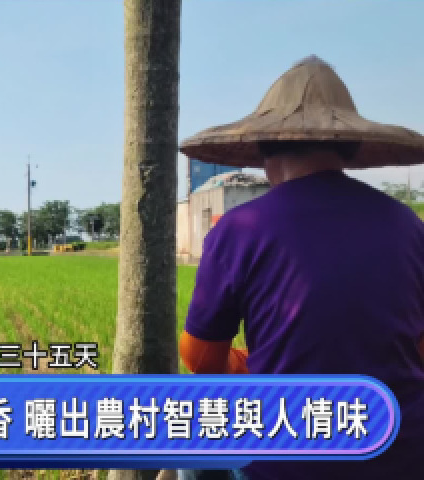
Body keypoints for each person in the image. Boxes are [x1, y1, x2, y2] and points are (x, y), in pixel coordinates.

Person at [171, 56, 424, 480]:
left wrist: (248, 364)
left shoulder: (240, 228)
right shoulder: (408, 225)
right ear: (347, 149)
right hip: (404, 454)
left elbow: (200, 358)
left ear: (264, 150)